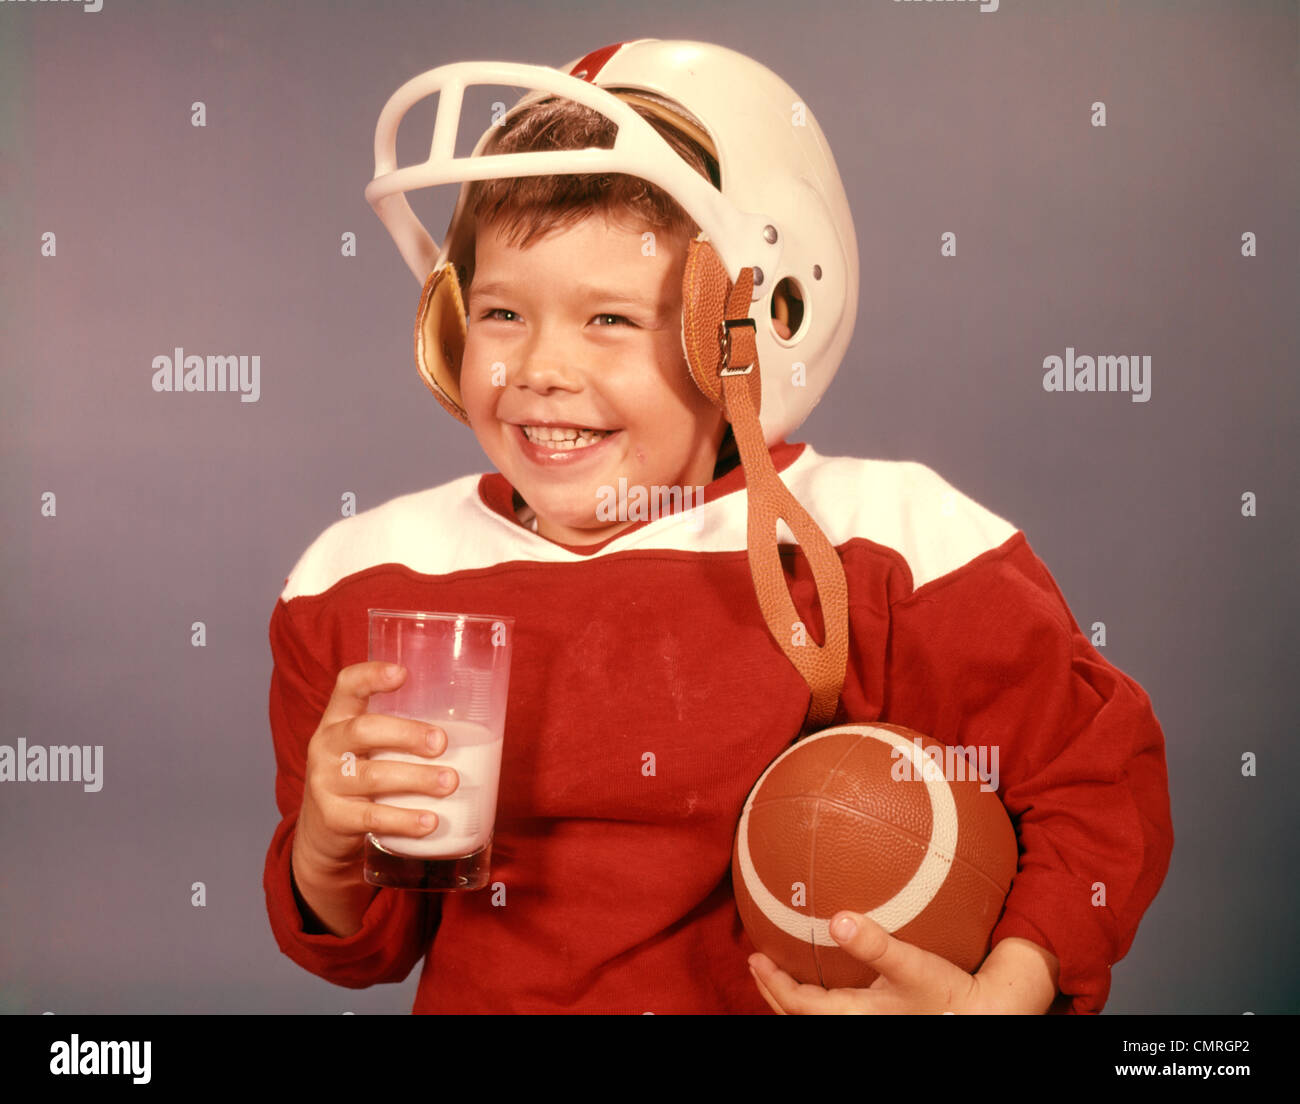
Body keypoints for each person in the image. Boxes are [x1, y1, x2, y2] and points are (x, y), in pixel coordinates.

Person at [263, 39, 1172, 1014]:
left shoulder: (885, 549)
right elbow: (362, 947)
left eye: (608, 319)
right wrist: (326, 844)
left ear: (742, 325)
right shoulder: (365, 580)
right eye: (499, 312)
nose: (537, 370)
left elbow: (1095, 776)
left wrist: (1007, 989)